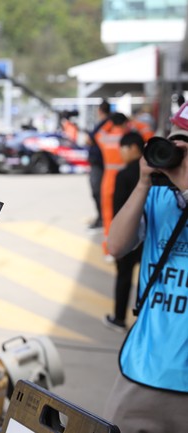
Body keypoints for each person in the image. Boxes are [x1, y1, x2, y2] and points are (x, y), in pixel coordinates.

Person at [103, 103, 188, 431]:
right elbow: (116, 246)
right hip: (144, 369)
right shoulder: (157, 195)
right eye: (175, 144)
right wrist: (142, 185)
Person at [103, 131, 144, 332]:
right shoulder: (158, 173)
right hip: (151, 236)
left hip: (129, 235)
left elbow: (118, 209)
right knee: (148, 277)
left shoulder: (125, 174)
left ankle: (119, 318)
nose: (120, 152)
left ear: (134, 148)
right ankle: (144, 319)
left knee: (124, 277)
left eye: (123, 148)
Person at [94, 111, 130, 257]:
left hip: (108, 180)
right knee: (126, 215)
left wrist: (110, 121)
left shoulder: (105, 138)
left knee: (108, 216)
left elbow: (98, 134)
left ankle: (108, 250)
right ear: (124, 123)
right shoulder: (127, 139)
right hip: (125, 181)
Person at [87, 99, 110, 230]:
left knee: (98, 192)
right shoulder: (107, 124)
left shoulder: (104, 124)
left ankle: (102, 219)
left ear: (100, 111)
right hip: (104, 163)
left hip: (100, 164)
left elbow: (91, 139)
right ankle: (102, 218)